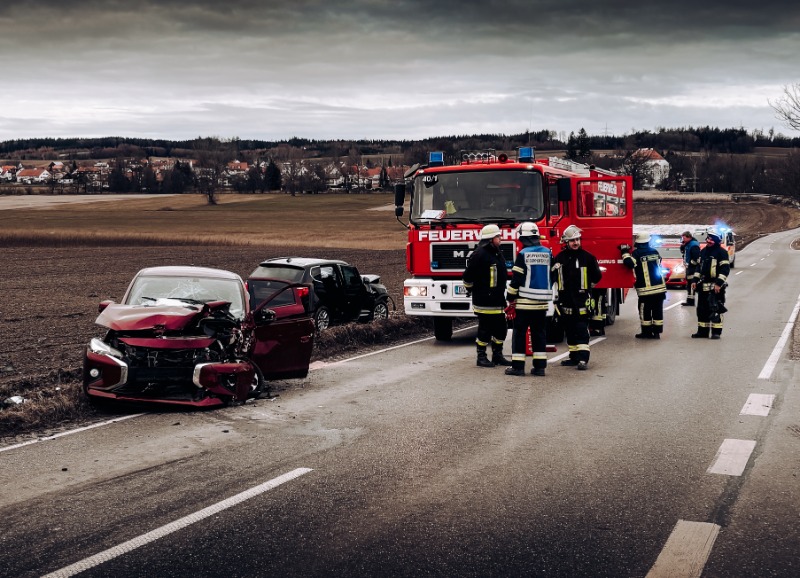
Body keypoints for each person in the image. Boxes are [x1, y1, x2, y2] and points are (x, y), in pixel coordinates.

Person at [504, 222, 552, 377]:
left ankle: (518, 367)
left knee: (519, 334)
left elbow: (516, 279)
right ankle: (539, 368)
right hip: (542, 304)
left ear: (523, 237)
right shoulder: (547, 252)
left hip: (524, 303)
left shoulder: (523, 254)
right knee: (539, 334)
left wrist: (510, 296)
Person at [552, 225, 602, 370]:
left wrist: (586, 289)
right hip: (565, 300)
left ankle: (583, 359)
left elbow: (597, 276)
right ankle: (574, 357)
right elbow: (553, 277)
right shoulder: (559, 259)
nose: (576, 243)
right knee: (569, 330)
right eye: (572, 240)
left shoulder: (588, 257)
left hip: (582, 300)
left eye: (577, 239)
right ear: (566, 242)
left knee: (581, 329)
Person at [462, 224, 512, 367]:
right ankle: (481, 356)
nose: (500, 239)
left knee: (501, 329)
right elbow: (467, 277)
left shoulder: (497, 252)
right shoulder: (479, 255)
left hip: (497, 299)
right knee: (485, 330)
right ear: (490, 239)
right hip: (484, 300)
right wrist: (472, 290)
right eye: (498, 236)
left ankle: (497, 355)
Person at [620, 232, 667, 339]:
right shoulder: (655, 251)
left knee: (645, 311)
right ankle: (656, 333)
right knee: (657, 310)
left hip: (646, 290)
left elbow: (629, 263)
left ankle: (646, 332)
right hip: (660, 288)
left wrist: (624, 252)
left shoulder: (637, 253)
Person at [691, 227, 730, 339]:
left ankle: (716, 332)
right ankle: (702, 332)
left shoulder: (722, 253)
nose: (708, 241)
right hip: (703, 287)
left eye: (711, 239)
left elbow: (725, 269)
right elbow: (699, 268)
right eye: (708, 238)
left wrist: (718, 283)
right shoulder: (703, 252)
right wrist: (694, 280)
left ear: (717, 241)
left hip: (716, 288)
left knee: (716, 309)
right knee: (702, 310)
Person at [680, 230, 701, 306]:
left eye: (684, 238)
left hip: (693, 268)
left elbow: (696, 258)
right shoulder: (688, 244)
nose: (683, 240)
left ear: (689, 237)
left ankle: (691, 301)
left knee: (692, 284)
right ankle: (689, 300)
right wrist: (683, 246)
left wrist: (690, 264)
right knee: (688, 284)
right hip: (689, 267)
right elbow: (684, 253)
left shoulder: (694, 245)